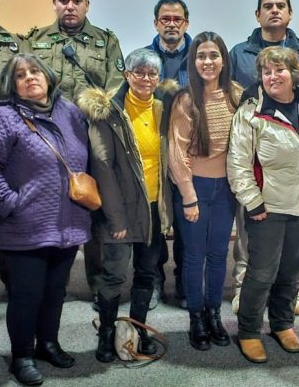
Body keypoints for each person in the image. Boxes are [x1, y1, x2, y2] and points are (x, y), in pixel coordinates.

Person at [0, 53, 92, 386]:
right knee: (26, 295)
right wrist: (12, 203)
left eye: (35, 71)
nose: (29, 78)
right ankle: (21, 355)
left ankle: (48, 344)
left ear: (48, 76)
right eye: (20, 75)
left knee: (55, 291)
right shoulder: (3, 117)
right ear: (13, 85)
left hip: (67, 222)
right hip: (24, 224)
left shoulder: (70, 112)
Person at [228, 0, 299, 316]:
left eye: (280, 5)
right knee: (251, 242)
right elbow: (232, 97)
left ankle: (290, 294)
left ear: (289, 12)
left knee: (294, 253)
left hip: (298, 180)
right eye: (267, 5)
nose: (274, 10)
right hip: (258, 151)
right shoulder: (239, 52)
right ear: (257, 14)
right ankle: (244, 288)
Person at [26, 0, 124, 303]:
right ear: (54, 3)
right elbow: (24, 85)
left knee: (94, 208)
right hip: (49, 141)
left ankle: (98, 284)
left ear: (87, 4)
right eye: (64, 0)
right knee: (51, 211)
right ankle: (52, 284)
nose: (70, 6)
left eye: (76, 1)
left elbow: (115, 89)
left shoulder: (106, 42)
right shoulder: (35, 41)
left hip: (91, 137)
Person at [79, 48, 176, 362]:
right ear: (127, 75)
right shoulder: (108, 112)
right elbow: (103, 167)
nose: (145, 79)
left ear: (158, 78)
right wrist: (116, 219)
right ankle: (107, 333)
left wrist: (166, 212)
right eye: (139, 72)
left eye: (152, 74)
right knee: (114, 276)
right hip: (118, 209)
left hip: (152, 207)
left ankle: (138, 329)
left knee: (147, 273)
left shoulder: (161, 109)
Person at [227, 46, 299, 364]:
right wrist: (252, 203)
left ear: (294, 73)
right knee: (262, 272)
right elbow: (238, 163)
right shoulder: (251, 112)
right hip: (267, 208)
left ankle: (282, 324)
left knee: (292, 271)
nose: (272, 76)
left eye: (279, 70)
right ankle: (249, 331)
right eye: (266, 71)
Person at [169, 31, 243, 351]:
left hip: (227, 189)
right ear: (193, 61)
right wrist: (189, 195)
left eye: (214, 55)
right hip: (195, 187)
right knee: (194, 256)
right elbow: (177, 152)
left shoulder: (237, 96)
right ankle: (196, 317)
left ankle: (214, 314)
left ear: (223, 59)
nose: (208, 61)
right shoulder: (185, 100)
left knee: (218, 254)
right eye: (201, 56)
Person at [145, 0, 192, 309]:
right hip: (154, 149)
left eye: (177, 19)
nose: (171, 24)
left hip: (191, 151)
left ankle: (186, 282)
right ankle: (154, 281)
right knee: (154, 221)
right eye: (165, 19)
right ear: (156, 23)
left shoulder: (202, 56)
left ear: (186, 23)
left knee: (189, 218)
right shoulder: (143, 59)